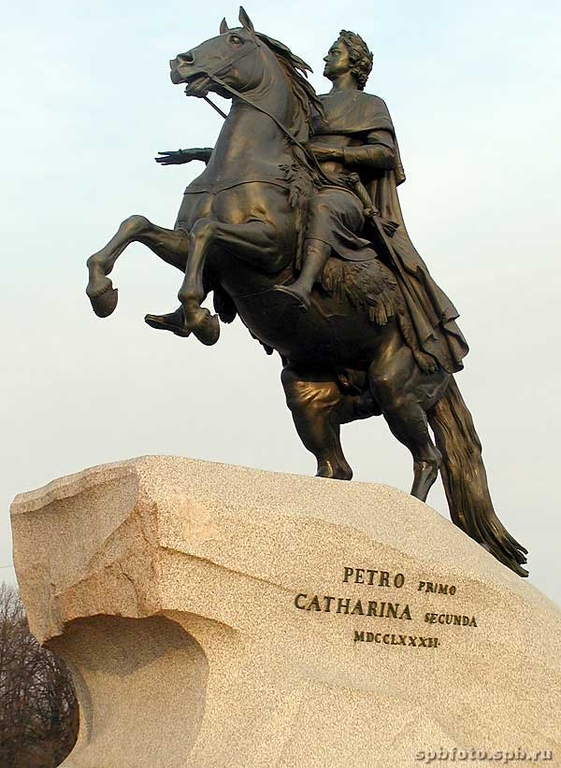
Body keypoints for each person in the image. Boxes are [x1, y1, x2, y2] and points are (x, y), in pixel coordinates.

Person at [274, 30, 468, 374]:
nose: (326, 57)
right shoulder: (310, 104)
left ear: (356, 62)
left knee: (323, 207)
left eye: (334, 51)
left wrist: (334, 151)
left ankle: (304, 285)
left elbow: (384, 154)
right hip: (302, 185)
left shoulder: (370, 105)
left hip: (343, 195)